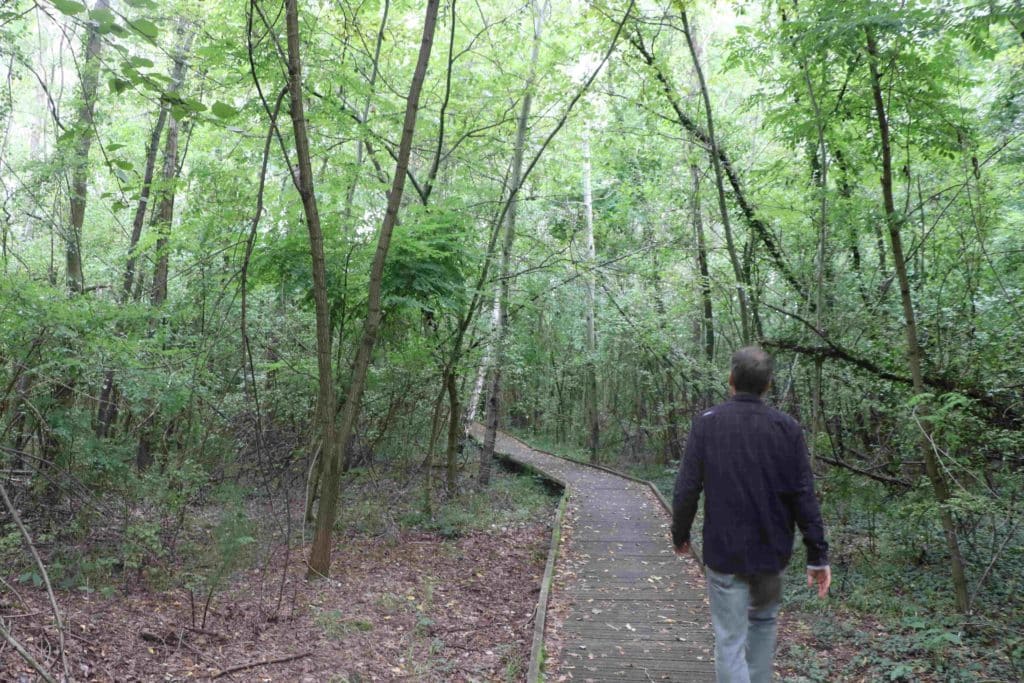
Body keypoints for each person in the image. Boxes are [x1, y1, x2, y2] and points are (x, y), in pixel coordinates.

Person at [672, 346, 830, 683]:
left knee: (730, 640)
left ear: (730, 380)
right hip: (771, 554)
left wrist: (679, 532)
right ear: (768, 384)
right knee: (761, 631)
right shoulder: (786, 428)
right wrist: (817, 555)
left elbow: (687, 487)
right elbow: (803, 495)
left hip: (724, 554)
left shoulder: (707, 424)